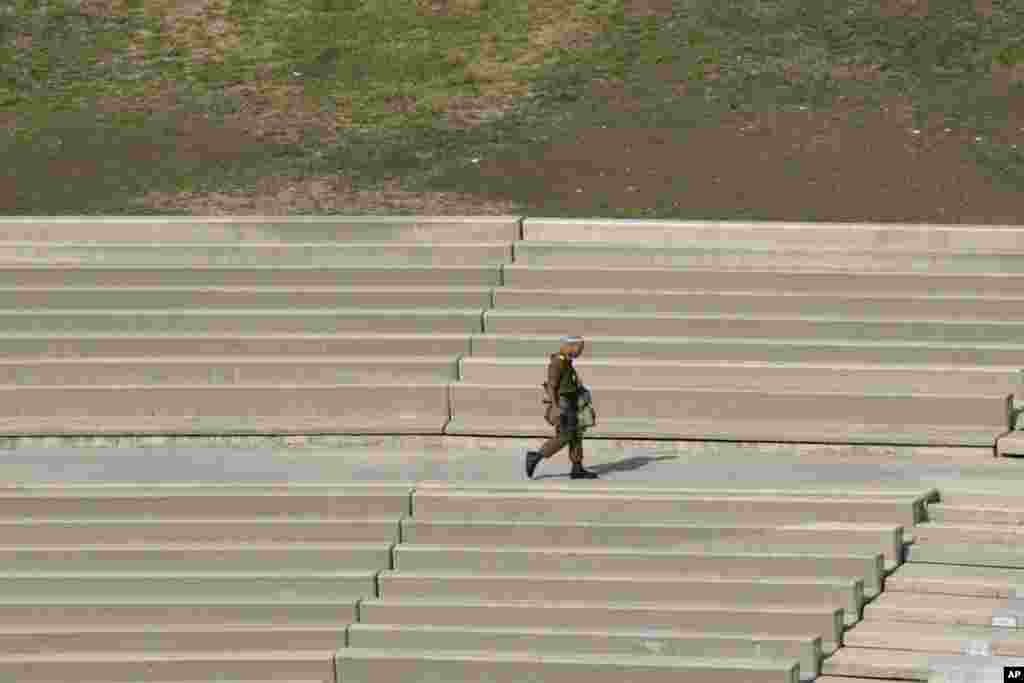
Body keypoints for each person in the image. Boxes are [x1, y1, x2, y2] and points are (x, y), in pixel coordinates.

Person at [525, 335, 599, 480]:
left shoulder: (567, 362)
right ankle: (536, 456)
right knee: (565, 435)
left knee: (576, 434)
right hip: (563, 404)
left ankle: (577, 468)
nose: (580, 352)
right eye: (580, 348)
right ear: (570, 346)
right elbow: (551, 386)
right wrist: (555, 406)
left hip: (572, 402)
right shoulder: (557, 363)